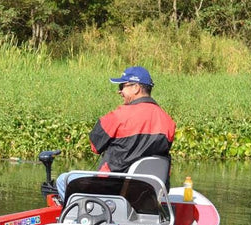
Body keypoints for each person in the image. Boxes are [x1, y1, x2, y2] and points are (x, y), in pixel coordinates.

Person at [57, 65, 176, 199]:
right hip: (147, 192)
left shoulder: (119, 116)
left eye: (122, 86)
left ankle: (81, 218)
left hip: (112, 186)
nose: (119, 92)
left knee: (63, 179)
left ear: (136, 88)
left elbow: (94, 145)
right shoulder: (168, 122)